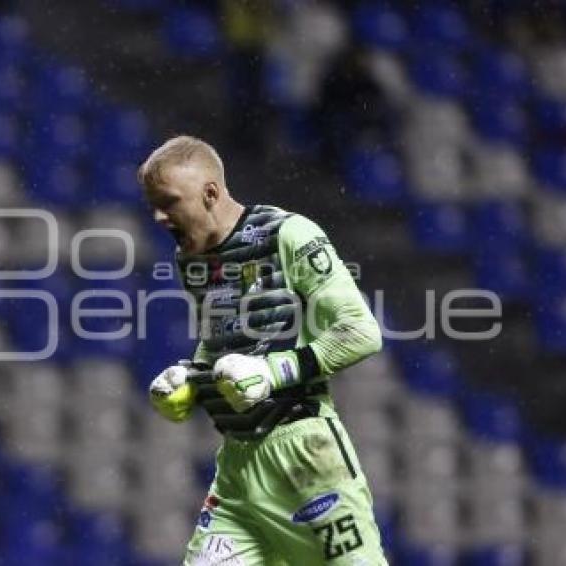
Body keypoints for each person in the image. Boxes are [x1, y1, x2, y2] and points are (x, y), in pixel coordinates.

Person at [137, 135, 388, 565]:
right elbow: (228, 342)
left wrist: (274, 373)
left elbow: (362, 331)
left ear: (210, 193)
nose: (159, 217)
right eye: (153, 205)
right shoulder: (192, 261)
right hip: (237, 470)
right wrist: (192, 376)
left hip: (305, 459)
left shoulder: (289, 234)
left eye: (170, 202)